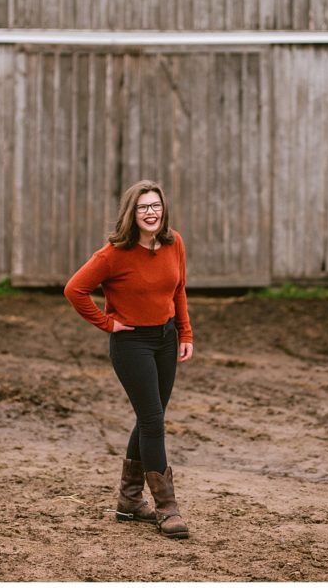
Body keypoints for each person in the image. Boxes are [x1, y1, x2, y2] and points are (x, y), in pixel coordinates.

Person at [63, 179, 194, 540]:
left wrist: (185, 333)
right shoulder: (113, 254)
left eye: (156, 205)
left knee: (151, 417)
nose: (151, 212)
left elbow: (179, 290)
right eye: (143, 207)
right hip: (131, 344)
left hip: (166, 339)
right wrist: (107, 323)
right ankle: (167, 508)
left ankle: (129, 500)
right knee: (153, 421)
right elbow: (74, 290)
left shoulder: (174, 242)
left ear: (163, 209)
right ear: (131, 213)